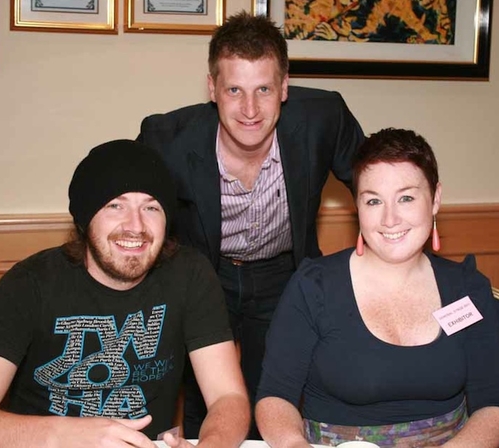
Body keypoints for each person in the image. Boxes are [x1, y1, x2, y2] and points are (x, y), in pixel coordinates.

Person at [136, 11, 364, 438]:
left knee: (270, 395)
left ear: (284, 87)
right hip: (205, 273)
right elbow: (121, 197)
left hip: (282, 273)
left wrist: (393, 227)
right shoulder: (167, 138)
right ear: (212, 89)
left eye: (263, 89)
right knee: (208, 396)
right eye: (234, 90)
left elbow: (375, 174)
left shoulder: (323, 118)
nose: (250, 109)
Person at [0, 139, 250, 448]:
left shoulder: (190, 275)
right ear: (85, 219)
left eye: (151, 207)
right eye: (115, 205)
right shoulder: (29, 285)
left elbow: (228, 397)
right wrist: (69, 436)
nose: (136, 226)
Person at [255, 128, 499, 447]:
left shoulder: (467, 288)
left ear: (435, 199)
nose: (390, 219)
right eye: (374, 200)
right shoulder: (314, 287)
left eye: (406, 197)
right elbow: (275, 397)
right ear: (357, 207)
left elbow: (493, 404)